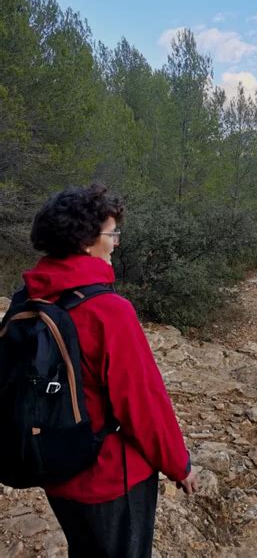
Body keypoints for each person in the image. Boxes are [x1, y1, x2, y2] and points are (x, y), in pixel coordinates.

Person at [20, 184, 197, 557]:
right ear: (86, 240)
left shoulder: (30, 297)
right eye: (112, 233)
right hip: (110, 479)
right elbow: (143, 404)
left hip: (55, 469)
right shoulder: (108, 310)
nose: (116, 242)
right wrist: (178, 465)